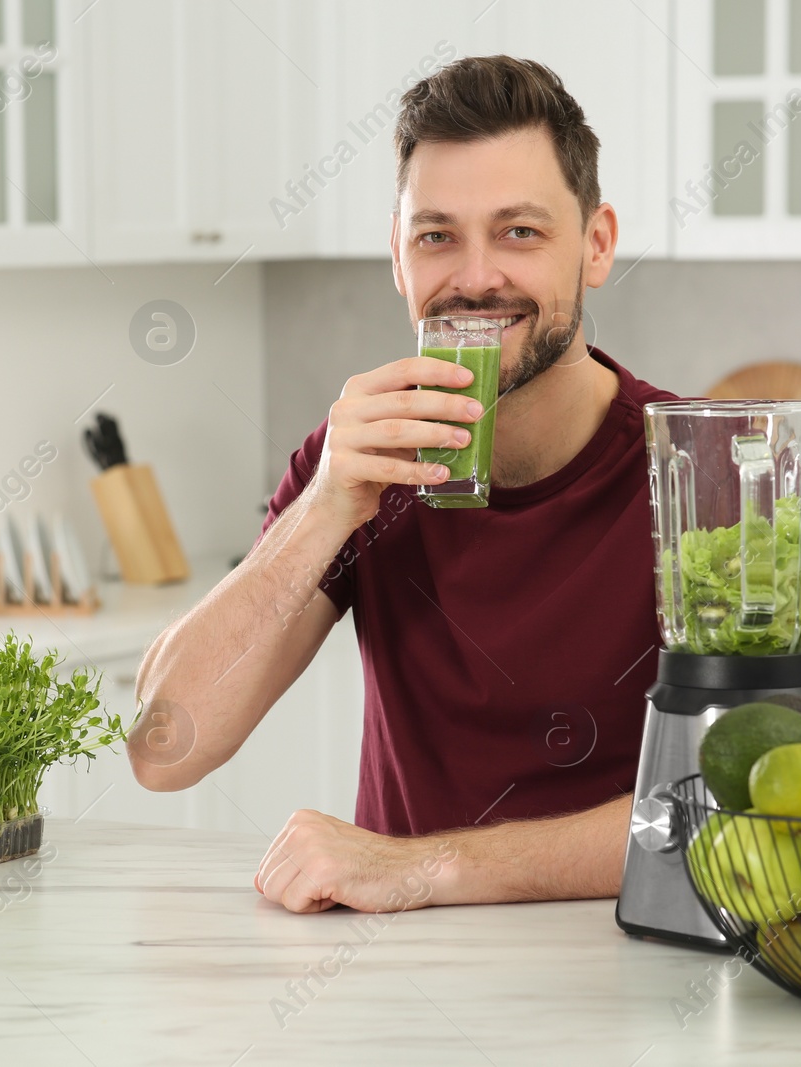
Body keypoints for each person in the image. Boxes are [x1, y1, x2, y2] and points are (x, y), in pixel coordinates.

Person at [131, 55, 684, 913]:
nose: (473, 277)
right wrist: (324, 509)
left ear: (598, 244)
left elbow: (738, 806)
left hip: (625, 969)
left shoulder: (698, 469)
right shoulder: (356, 462)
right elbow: (164, 748)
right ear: (398, 255)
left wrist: (425, 867)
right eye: (436, 235)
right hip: (394, 981)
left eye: (520, 232)